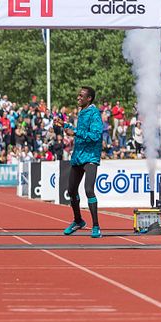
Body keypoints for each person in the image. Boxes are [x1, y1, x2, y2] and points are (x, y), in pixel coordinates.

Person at [54, 86, 103, 238]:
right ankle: (78, 221)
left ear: (89, 98)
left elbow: (96, 135)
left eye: (81, 95)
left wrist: (74, 132)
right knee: (71, 191)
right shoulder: (82, 112)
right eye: (78, 95)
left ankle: (96, 226)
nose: (78, 97)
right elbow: (78, 131)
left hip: (90, 157)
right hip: (78, 156)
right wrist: (65, 125)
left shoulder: (94, 113)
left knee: (89, 190)